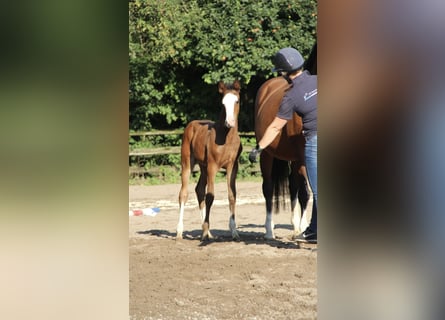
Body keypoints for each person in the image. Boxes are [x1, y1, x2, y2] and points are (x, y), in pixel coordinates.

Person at [249, 47, 318, 242]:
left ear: (284, 72)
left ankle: (316, 231)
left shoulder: (291, 96)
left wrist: (259, 147)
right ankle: (314, 231)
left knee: (319, 191)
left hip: (314, 141)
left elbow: (275, 127)